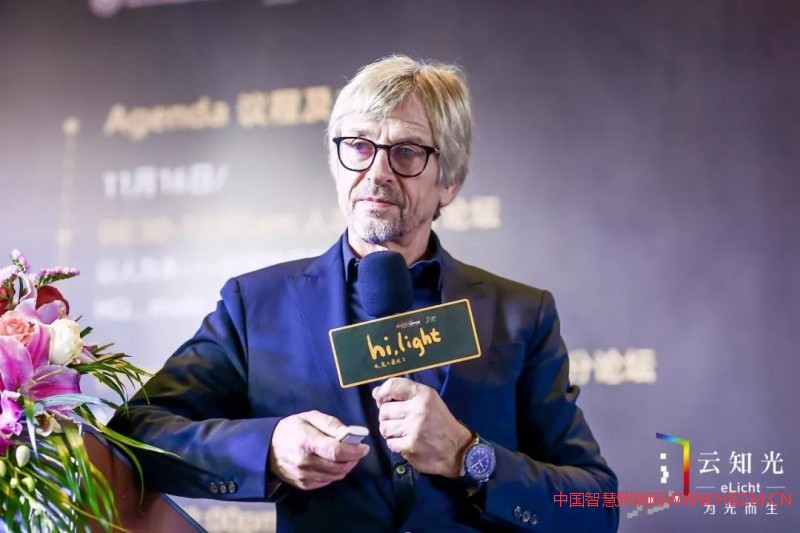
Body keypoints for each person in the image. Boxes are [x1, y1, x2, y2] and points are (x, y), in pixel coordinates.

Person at [109, 55, 619, 532]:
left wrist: (468, 455)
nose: (377, 172)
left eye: (406, 152)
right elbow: (135, 434)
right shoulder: (256, 306)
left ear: (450, 181)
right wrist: (268, 449)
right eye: (358, 146)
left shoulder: (519, 316)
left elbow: (596, 504)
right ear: (336, 162)